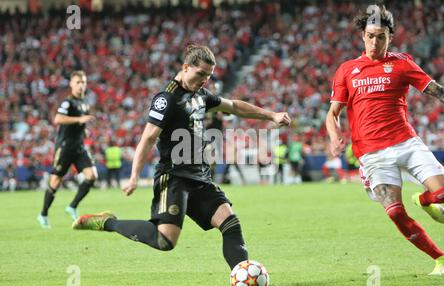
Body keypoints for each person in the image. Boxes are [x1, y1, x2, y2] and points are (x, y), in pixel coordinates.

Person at [72, 45, 291, 270]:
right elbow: (148, 138)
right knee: (164, 241)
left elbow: (234, 106)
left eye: (209, 76)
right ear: (186, 67)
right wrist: (134, 176)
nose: (205, 80)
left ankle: (243, 277)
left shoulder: (201, 96)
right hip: (174, 177)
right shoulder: (167, 99)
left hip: (200, 177)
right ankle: (108, 222)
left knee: (231, 223)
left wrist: (271, 115)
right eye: (201, 74)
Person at [326, 4, 444, 275]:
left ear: (389, 37)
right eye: (370, 36)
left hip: (406, 142)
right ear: (362, 36)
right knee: (394, 211)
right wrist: (335, 136)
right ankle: (441, 259)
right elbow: (332, 113)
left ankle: (426, 200)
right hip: (372, 153)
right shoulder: (347, 70)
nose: (374, 42)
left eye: (380, 36)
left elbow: (439, 92)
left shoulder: (402, 63)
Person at [37, 70, 97, 229]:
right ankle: (43, 214)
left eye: (83, 82)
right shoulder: (67, 103)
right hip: (65, 147)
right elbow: (58, 119)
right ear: (71, 84)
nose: (81, 85)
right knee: (56, 181)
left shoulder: (85, 103)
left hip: (79, 146)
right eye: (78, 82)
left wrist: (84, 129)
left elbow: (80, 124)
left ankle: (72, 206)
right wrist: (79, 119)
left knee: (92, 176)